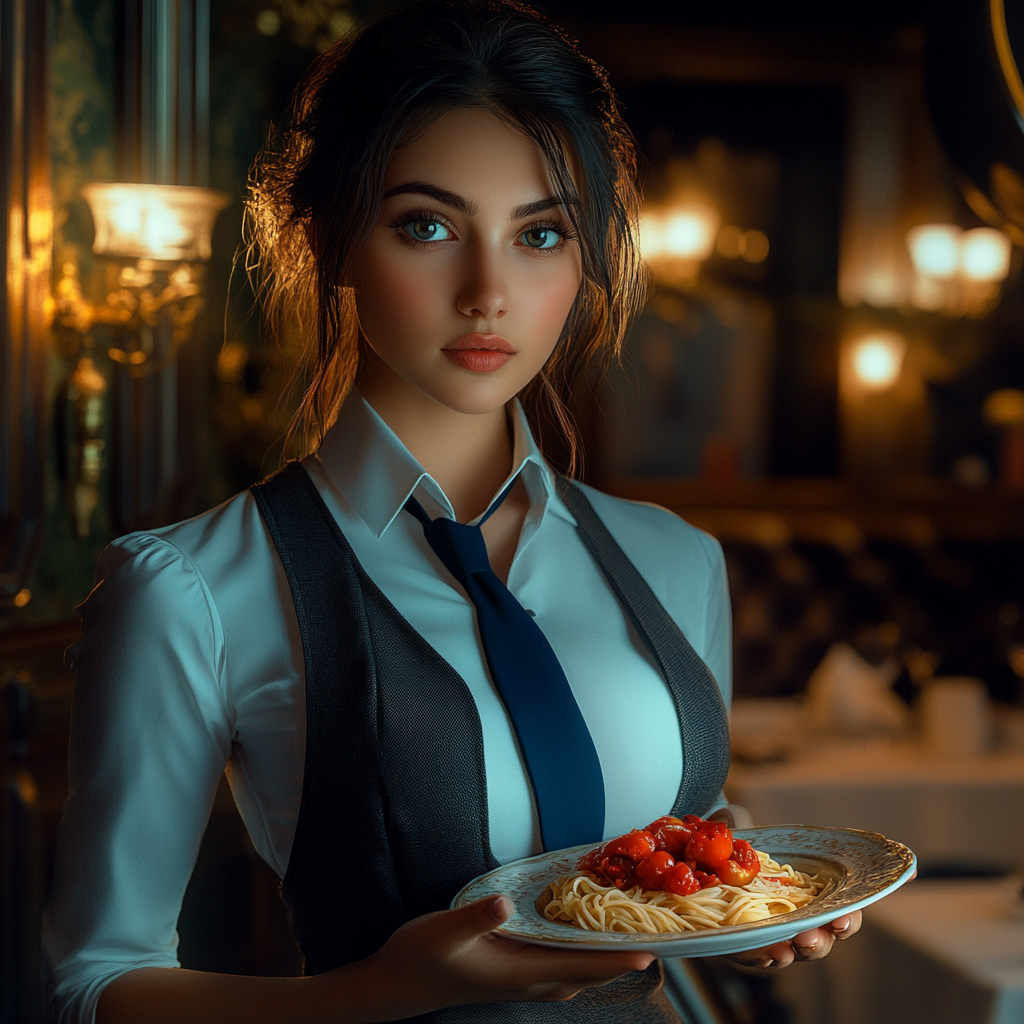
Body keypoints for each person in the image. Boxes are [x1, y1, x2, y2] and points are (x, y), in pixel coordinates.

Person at [43, 2, 860, 1022]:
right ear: (328, 234)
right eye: (426, 226)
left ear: (587, 256)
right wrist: (377, 991)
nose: (488, 292)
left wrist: (748, 913)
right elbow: (92, 984)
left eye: (540, 233)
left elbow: (682, 838)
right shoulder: (196, 588)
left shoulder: (673, 559)